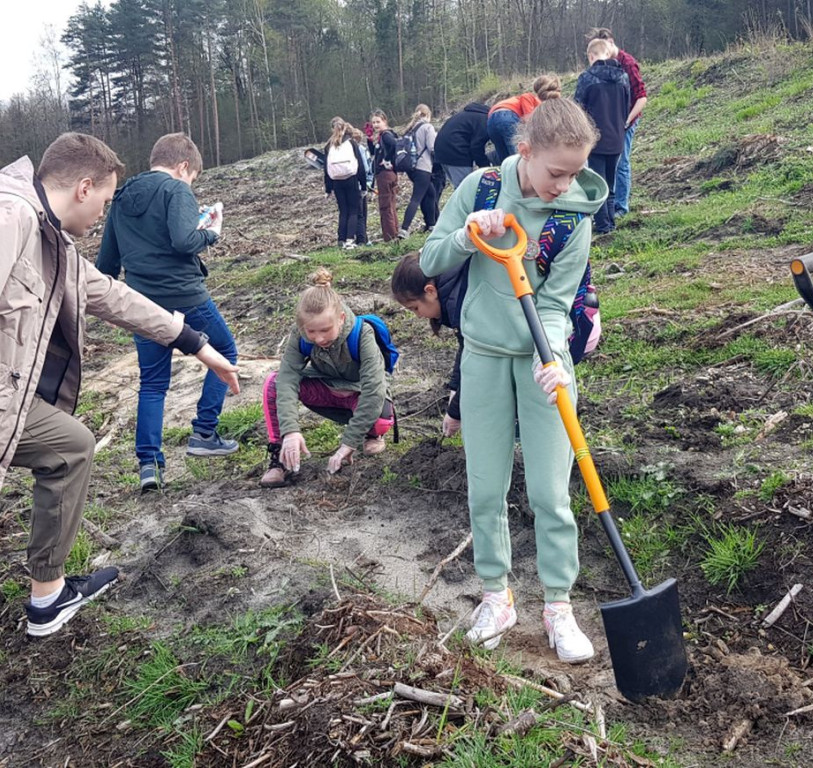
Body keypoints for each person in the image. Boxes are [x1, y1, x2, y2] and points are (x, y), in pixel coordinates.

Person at [0, 132, 240, 768]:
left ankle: (47, 597)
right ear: (83, 188)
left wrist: (196, 343)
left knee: (72, 446)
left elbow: (113, 296)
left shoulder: (48, 239)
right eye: (106, 201)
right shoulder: (2, 218)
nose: (105, 215)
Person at [419, 99, 607, 662]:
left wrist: (552, 352)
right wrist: (466, 234)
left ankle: (558, 605)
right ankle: (497, 598)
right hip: (481, 357)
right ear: (525, 151)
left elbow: (557, 298)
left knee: (551, 493)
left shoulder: (574, 215)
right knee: (486, 488)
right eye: (556, 172)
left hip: (544, 365)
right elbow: (429, 260)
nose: (564, 184)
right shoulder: (478, 189)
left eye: (575, 173)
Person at [96, 132, 240, 494]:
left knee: (153, 382)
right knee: (224, 353)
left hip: (142, 305)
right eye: (193, 177)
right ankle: (205, 432)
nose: (191, 183)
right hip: (185, 296)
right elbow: (182, 240)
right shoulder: (177, 190)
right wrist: (212, 232)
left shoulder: (122, 196)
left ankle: (149, 465)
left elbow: (106, 265)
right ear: (184, 166)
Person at [259, 268, 394, 487]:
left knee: (380, 420)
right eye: (311, 332)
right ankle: (279, 459)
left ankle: (372, 435)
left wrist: (348, 443)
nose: (319, 338)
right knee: (273, 383)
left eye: (325, 330)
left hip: (357, 393)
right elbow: (287, 378)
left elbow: (374, 389)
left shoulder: (363, 335)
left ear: (341, 319)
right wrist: (290, 431)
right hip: (327, 388)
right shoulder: (299, 335)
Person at [391, 251, 467, 437]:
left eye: (415, 308)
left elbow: (477, 363)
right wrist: (455, 388)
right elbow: (465, 347)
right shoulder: (452, 293)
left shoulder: (460, 301)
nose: (418, 315)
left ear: (430, 291)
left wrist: (455, 412)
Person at [588, 27, 647, 218]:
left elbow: (642, 97)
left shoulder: (627, 64)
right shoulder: (600, 67)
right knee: (606, 163)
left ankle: (621, 206)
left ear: (611, 43)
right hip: (607, 121)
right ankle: (606, 207)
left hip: (625, 120)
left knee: (621, 162)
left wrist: (626, 121)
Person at [575, 38, 630, 234]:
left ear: (591, 56)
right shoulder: (623, 77)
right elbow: (626, 107)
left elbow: (578, 111)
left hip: (595, 138)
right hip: (617, 138)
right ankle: (611, 223)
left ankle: (603, 225)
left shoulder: (587, 78)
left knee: (598, 184)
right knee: (611, 182)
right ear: (609, 54)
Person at [486, 75, 562, 163]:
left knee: (505, 159)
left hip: (491, 121)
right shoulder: (530, 98)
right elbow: (528, 120)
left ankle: (506, 174)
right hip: (506, 116)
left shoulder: (531, 100)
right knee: (519, 157)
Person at [320, 117, 368, 250]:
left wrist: (328, 189)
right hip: (351, 179)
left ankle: (341, 239)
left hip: (336, 181)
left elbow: (326, 169)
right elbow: (360, 166)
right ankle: (350, 240)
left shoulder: (328, 146)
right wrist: (363, 185)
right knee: (353, 211)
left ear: (332, 129)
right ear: (345, 127)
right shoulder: (351, 143)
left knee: (343, 211)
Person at [398, 104, 439, 238]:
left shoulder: (410, 129)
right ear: (428, 115)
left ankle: (432, 224)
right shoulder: (427, 127)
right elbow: (432, 148)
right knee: (416, 198)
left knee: (431, 193)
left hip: (412, 168)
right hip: (424, 167)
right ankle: (404, 229)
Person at [434, 101, 492, 189]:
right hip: (456, 152)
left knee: (459, 188)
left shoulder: (466, 116)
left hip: (441, 151)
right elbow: (476, 146)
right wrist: (485, 166)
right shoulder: (484, 120)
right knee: (465, 190)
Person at [368, 109, 400, 242]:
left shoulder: (386, 135)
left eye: (378, 122)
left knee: (385, 205)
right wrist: (369, 140)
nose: (375, 125)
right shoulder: (381, 136)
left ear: (384, 121)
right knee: (390, 204)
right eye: (373, 122)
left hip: (385, 175)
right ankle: (394, 231)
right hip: (388, 174)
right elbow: (373, 153)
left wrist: (387, 159)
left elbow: (394, 145)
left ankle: (390, 236)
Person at [350, 127, 374, 246]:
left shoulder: (354, 149)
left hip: (355, 184)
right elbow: (367, 168)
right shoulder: (362, 149)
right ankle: (363, 239)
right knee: (362, 213)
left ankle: (361, 239)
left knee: (358, 213)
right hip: (362, 184)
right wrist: (369, 182)